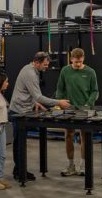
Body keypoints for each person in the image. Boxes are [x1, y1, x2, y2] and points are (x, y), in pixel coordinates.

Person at [9, 51, 69, 183]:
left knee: (20, 143)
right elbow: (39, 96)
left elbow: (27, 92)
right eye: (45, 65)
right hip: (19, 112)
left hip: (22, 109)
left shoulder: (30, 69)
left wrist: (34, 103)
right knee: (19, 143)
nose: (46, 67)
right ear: (36, 62)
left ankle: (19, 169)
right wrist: (59, 102)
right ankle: (20, 172)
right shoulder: (30, 73)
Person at [55, 47, 99, 177]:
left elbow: (95, 91)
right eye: (75, 62)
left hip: (85, 110)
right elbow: (60, 88)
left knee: (84, 137)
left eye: (80, 62)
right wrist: (60, 102)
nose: (78, 64)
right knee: (68, 135)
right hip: (69, 109)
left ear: (83, 58)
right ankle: (71, 165)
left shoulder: (90, 72)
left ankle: (83, 166)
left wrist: (89, 103)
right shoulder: (65, 71)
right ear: (71, 59)